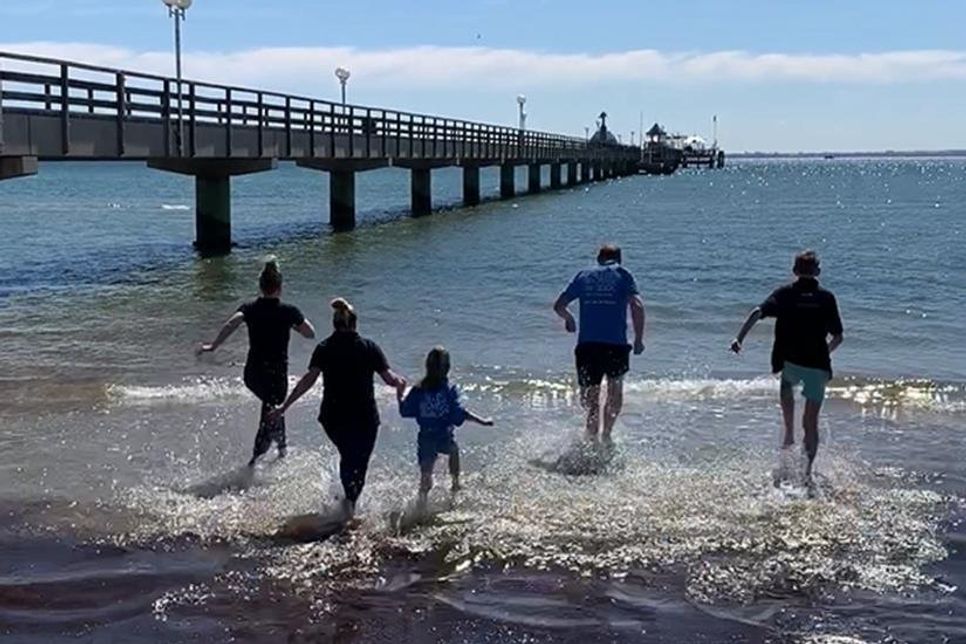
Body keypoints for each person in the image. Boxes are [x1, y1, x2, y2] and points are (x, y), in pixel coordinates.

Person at [271, 298, 405, 519]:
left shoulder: (324, 348)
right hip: (365, 418)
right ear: (355, 324)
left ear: (335, 324)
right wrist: (401, 383)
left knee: (347, 456)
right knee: (359, 464)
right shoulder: (369, 347)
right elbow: (390, 379)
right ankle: (349, 505)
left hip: (334, 417)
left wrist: (284, 407)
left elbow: (308, 380)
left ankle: (346, 504)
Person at [730, 250, 844, 483]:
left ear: (794, 271)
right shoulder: (826, 297)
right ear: (818, 272)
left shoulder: (784, 294)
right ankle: (807, 473)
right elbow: (838, 336)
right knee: (811, 423)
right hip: (817, 366)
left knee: (788, 406)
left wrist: (739, 338)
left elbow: (757, 312)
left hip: (790, 363)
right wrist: (824, 353)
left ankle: (789, 437)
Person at [197, 258, 315, 466]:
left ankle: (280, 450)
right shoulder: (288, 311)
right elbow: (310, 334)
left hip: (253, 374)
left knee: (272, 408)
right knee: (273, 409)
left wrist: (213, 346)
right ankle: (258, 458)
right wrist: (293, 325)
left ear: (261, 287)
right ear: (280, 287)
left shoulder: (250, 308)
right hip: (277, 373)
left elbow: (231, 323)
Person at [554, 244, 646, 443]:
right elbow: (637, 305)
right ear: (619, 258)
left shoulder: (583, 275)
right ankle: (607, 436)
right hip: (616, 346)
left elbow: (559, 305)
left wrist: (569, 319)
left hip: (588, 346)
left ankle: (591, 438)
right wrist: (638, 339)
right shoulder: (623, 274)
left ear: (598, 258)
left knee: (590, 400)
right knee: (614, 392)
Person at [397, 347, 493, 506]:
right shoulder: (448, 390)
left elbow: (405, 411)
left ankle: (421, 503)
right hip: (444, 436)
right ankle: (455, 482)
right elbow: (460, 413)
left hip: (426, 436)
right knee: (453, 451)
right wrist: (482, 421)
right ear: (447, 368)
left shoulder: (418, 390)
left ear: (427, 366)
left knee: (426, 473)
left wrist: (399, 394)